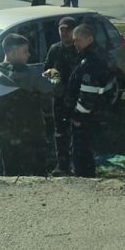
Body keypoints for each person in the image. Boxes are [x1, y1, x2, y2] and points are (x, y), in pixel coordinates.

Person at [0, 34, 55, 176]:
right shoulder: (32, 76)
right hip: (33, 135)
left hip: (5, 137)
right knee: (38, 175)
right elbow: (55, 87)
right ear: (13, 52)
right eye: (25, 51)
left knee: (11, 174)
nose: (29, 55)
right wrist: (54, 70)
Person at [63, 24, 114, 177]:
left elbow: (88, 94)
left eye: (78, 40)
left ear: (89, 39)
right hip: (96, 113)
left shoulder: (91, 62)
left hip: (85, 118)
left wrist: (78, 117)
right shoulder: (98, 55)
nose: (75, 44)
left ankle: (83, 181)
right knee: (87, 151)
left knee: (81, 153)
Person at [43, 17, 82, 175]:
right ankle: (62, 165)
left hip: (77, 99)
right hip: (59, 99)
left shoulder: (79, 49)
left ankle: (77, 164)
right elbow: (46, 69)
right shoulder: (55, 49)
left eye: (67, 29)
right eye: (61, 30)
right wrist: (56, 81)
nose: (64, 33)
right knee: (60, 133)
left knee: (78, 132)